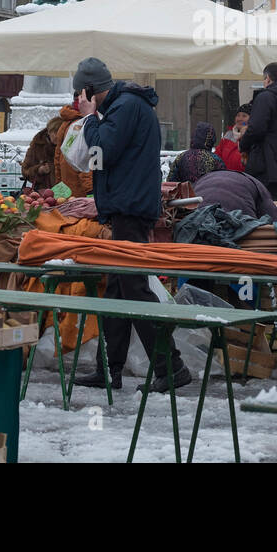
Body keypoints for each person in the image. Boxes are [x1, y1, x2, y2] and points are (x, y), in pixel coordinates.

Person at [71, 57, 191, 392]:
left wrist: (89, 118)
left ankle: (171, 366)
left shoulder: (124, 108)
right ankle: (109, 370)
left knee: (134, 289)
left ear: (90, 91)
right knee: (117, 291)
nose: (79, 100)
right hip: (126, 208)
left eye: (81, 94)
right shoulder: (125, 107)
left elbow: (100, 151)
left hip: (130, 211)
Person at [239, 62, 277, 203]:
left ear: (267, 78)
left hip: (267, 171)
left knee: (264, 218)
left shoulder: (266, 97)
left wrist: (243, 145)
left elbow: (256, 129)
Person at [192, 169, 277, 223]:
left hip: (198, 218)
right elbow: (273, 221)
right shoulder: (258, 186)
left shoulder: (202, 180)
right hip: (239, 219)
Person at [51, 103, 93, 197]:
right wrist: (91, 191)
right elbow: (83, 162)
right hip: (80, 191)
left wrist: (59, 185)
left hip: (68, 188)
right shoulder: (81, 125)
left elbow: (58, 158)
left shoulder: (67, 123)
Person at [214, 104, 251, 172]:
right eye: (238, 115)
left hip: (244, 178)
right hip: (225, 177)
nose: (240, 119)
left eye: (244, 116)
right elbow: (217, 157)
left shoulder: (253, 137)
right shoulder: (228, 135)